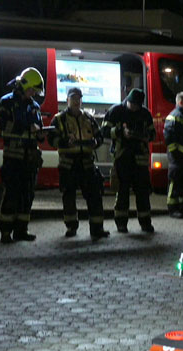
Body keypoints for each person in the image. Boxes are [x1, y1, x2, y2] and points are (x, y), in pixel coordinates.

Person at [48, 87, 110, 240]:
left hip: (87, 164)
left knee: (94, 196)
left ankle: (97, 228)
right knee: (68, 197)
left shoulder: (88, 118)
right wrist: (63, 142)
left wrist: (95, 142)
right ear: (67, 99)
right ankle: (71, 227)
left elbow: (99, 136)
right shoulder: (59, 119)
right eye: (73, 98)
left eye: (78, 98)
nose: (76, 101)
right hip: (68, 164)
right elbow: (51, 139)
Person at [0, 67, 46, 243]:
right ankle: (5, 232)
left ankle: (21, 230)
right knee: (11, 195)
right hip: (13, 158)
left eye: (35, 91)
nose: (33, 93)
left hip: (30, 158)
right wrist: (27, 128)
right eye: (32, 89)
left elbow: (38, 132)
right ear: (23, 85)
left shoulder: (34, 106)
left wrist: (40, 134)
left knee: (27, 195)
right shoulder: (6, 103)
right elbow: (2, 129)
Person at [101, 88, 156, 233]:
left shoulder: (145, 114)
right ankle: (121, 224)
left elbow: (153, 134)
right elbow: (104, 132)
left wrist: (145, 136)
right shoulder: (116, 111)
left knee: (143, 193)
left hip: (140, 158)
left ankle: (145, 223)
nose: (134, 107)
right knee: (122, 191)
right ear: (127, 100)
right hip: (122, 158)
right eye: (132, 104)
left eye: (137, 105)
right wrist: (120, 132)